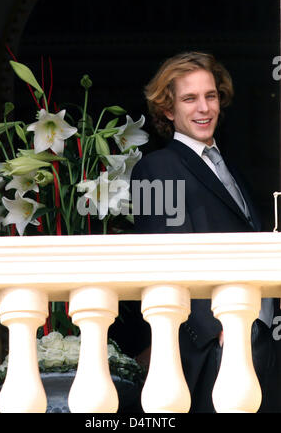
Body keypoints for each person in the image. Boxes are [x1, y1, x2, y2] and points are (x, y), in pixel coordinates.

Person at [130, 51, 281, 412]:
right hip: (213, 348)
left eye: (210, 96)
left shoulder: (231, 169)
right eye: (190, 98)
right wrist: (216, 332)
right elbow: (162, 257)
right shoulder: (155, 168)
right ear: (168, 109)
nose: (204, 108)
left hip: (255, 338)